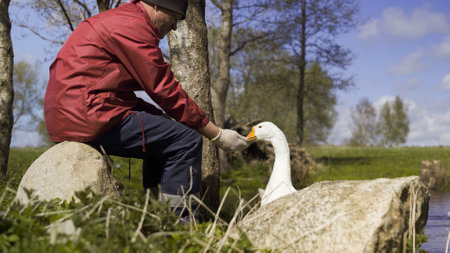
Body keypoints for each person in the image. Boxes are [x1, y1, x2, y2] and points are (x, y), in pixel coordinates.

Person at [43, 0, 249, 219]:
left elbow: (112, 90)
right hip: (88, 114)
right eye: (174, 18)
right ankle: (178, 222)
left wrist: (160, 116)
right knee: (186, 140)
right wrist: (215, 134)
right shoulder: (134, 26)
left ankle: (154, 215)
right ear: (158, 6)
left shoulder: (119, 19)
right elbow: (162, 87)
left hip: (74, 112)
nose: (174, 27)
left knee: (164, 135)